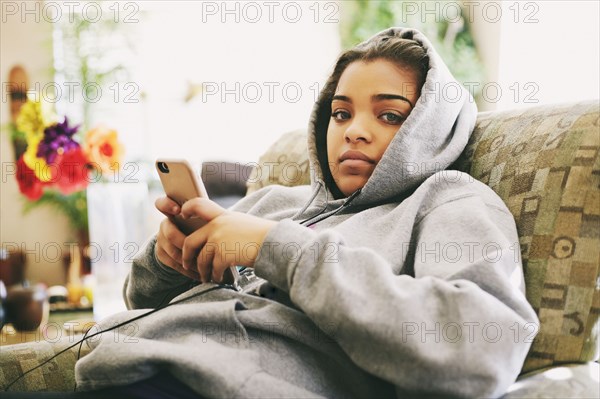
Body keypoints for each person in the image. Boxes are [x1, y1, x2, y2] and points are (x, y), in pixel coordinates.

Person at [74, 27, 538, 398]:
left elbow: (480, 351)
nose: (354, 131)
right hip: (121, 363)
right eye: (341, 113)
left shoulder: (449, 200)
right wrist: (169, 261)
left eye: (390, 115)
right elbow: (140, 301)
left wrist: (278, 249)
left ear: (431, 128)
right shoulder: (275, 202)